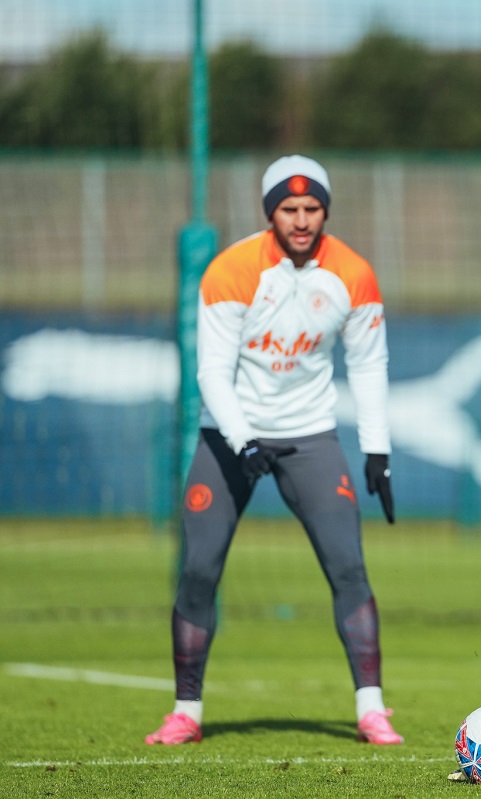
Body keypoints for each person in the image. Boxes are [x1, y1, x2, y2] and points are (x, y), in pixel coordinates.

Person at [145, 155, 402, 746]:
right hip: (229, 436)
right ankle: (186, 711)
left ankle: (372, 710)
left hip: (311, 436)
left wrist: (377, 449)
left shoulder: (353, 274)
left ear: (326, 211)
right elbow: (211, 371)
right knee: (199, 571)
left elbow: (369, 363)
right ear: (270, 213)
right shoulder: (231, 269)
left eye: (313, 208)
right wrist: (244, 439)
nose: (302, 219)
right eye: (289, 209)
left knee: (348, 568)